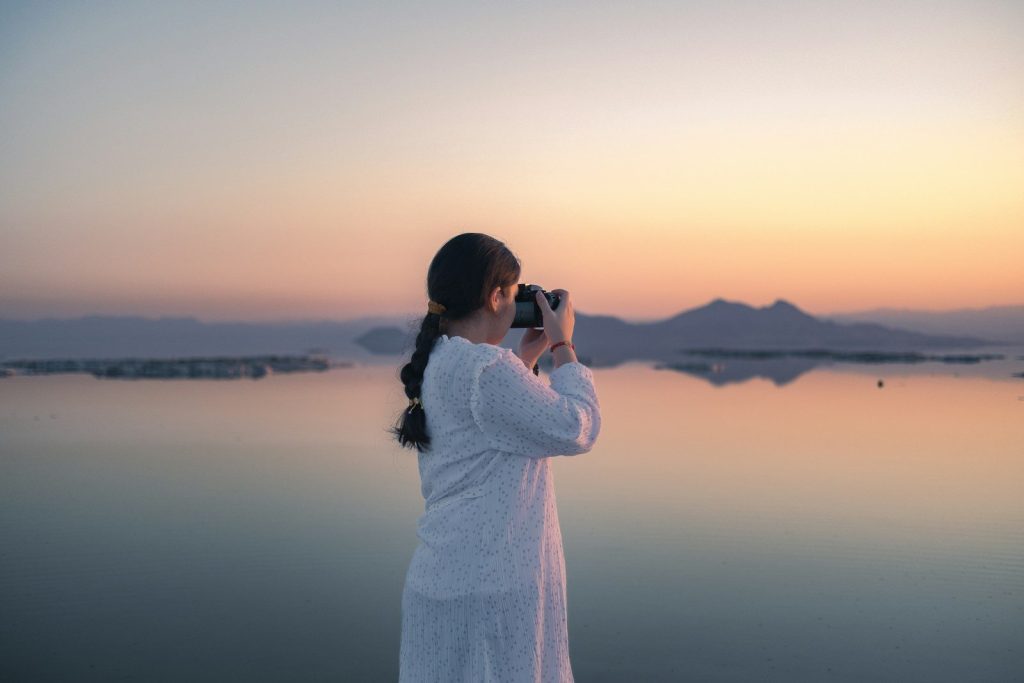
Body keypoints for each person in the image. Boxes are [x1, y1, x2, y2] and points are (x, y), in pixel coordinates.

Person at [391, 232, 602, 682]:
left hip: (440, 584)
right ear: (494, 296)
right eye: (515, 293)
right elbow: (578, 426)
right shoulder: (487, 370)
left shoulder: (439, 363)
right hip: (496, 589)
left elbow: (488, 429)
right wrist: (563, 346)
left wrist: (525, 361)